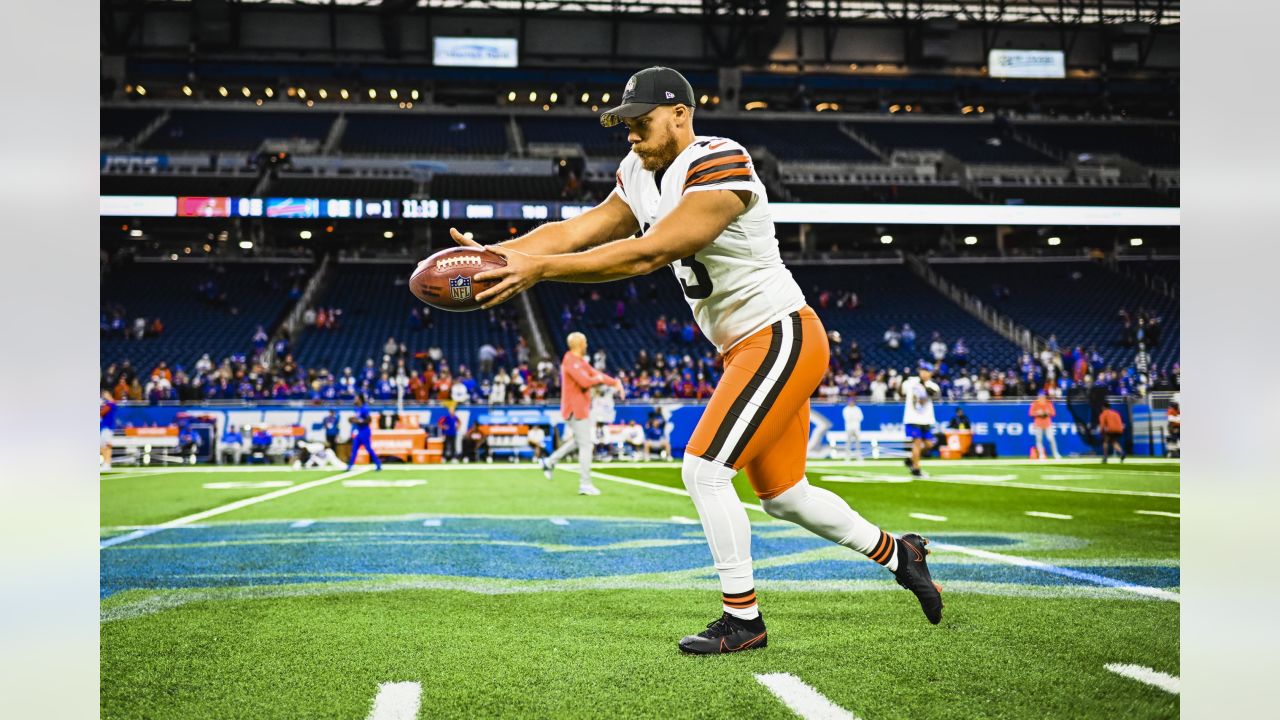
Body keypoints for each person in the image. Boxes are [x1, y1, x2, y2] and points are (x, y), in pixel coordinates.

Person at [440, 66, 942, 653]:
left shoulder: (718, 159)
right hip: (743, 346)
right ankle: (899, 552)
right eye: (624, 125)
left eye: (641, 122)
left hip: (781, 333)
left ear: (680, 113)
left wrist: (539, 270)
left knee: (703, 469)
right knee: (785, 496)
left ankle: (743, 619)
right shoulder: (637, 171)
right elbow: (581, 229)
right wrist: (504, 255)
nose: (630, 135)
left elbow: (648, 253)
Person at [541, 332, 623, 494]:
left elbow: (593, 373)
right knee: (586, 445)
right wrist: (599, 380)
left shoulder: (579, 361)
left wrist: (615, 382)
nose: (586, 345)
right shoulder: (570, 360)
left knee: (579, 441)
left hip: (580, 408)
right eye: (584, 342)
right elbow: (585, 381)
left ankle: (549, 461)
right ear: (578, 344)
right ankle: (585, 484)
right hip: (575, 409)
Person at [902, 361, 940, 478]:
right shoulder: (911, 382)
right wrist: (903, 379)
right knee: (917, 443)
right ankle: (916, 470)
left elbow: (933, 394)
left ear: (931, 373)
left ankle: (911, 459)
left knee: (929, 444)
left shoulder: (933, 385)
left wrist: (922, 384)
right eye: (922, 370)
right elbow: (901, 390)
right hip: (913, 418)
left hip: (926, 419)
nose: (924, 373)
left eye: (927, 371)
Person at [346, 397, 382, 471]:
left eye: (357, 398)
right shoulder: (356, 408)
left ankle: (378, 464)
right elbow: (357, 419)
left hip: (365, 431)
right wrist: (353, 420)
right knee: (354, 449)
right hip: (358, 430)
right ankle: (350, 465)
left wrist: (359, 421)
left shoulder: (365, 408)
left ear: (360, 399)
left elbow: (368, 420)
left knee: (368, 448)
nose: (355, 400)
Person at [1028, 391, 1062, 460]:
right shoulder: (1035, 403)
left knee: (1051, 439)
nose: (1041, 398)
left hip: (1047, 424)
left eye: (1042, 396)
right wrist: (1037, 413)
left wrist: (1047, 412)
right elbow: (1031, 413)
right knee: (1039, 440)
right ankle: (1041, 455)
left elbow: (1053, 413)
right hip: (1038, 424)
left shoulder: (1048, 403)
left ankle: (1056, 453)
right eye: (1040, 397)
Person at [841, 395, 863, 462]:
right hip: (849, 427)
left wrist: (855, 421)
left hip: (856, 427)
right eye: (850, 402)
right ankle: (847, 457)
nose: (851, 403)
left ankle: (858, 456)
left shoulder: (857, 409)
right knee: (848, 442)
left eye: (852, 402)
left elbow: (861, 417)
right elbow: (847, 418)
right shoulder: (846, 409)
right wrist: (853, 419)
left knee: (858, 442)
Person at [100, 391, 117, 470]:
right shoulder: (108, 403)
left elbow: (102, 413)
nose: (104, 395)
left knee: (106, 445)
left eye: (106, 394)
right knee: (103, 446)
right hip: (105, 427)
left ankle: (107, 463)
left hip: (107, 427)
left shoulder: (110, 404)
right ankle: (106, 463)